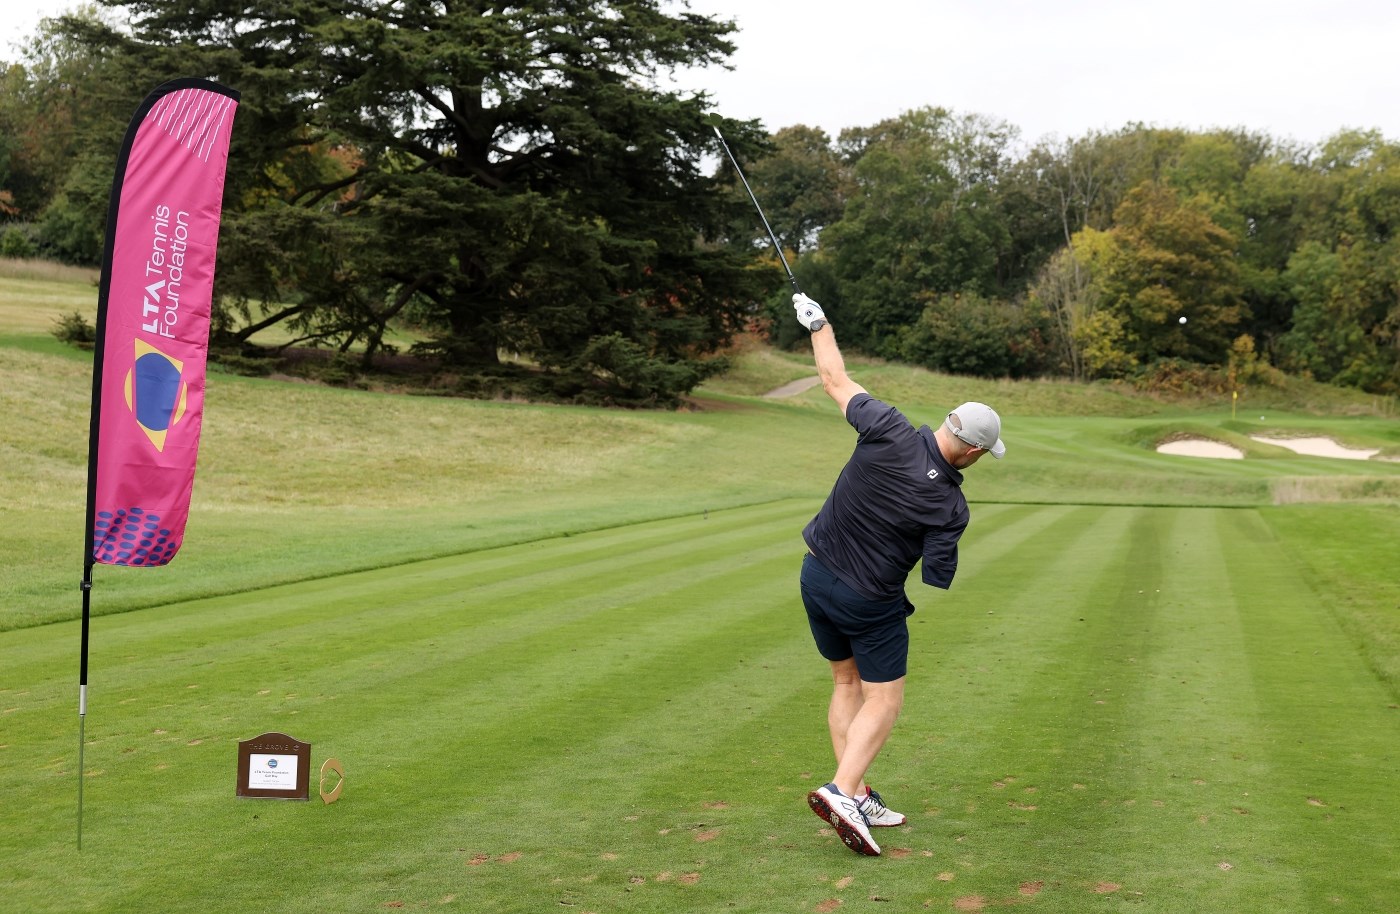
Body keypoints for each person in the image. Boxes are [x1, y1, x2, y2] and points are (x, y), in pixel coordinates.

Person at [791, 292, 1005, 858]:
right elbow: (936, 575)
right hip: (870, 601)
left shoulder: (884, 426)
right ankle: (840, 790)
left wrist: (818, 321)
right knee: (883, 700)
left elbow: (834, 377)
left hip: (815, 576)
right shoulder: (952, 508)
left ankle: (856, 794)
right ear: (973, 450)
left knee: (844, 683)